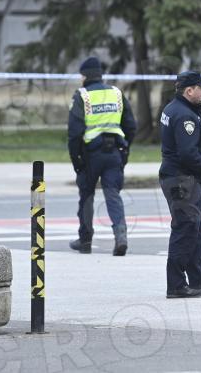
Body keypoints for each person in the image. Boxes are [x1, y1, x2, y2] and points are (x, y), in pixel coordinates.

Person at [159, 70, 201, 299]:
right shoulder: (184, 115)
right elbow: (188, 153)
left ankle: (198, 279)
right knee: (185, 228)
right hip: (182, 179)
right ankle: (176, 284)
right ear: (189, 90)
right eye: (200, 88)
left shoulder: (174, 108)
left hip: (181, 178)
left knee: (195, 228)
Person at [68, 57, 136, 256]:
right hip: (114, 152)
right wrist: (125, 149)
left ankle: (85, 240)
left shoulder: (82, 96)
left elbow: (74, 133)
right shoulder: (116, 93)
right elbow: (131, 126)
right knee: (113, 195)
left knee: (87, 196)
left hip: (90, 155)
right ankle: (121, 237)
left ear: (85, 76)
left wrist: (76, 160)